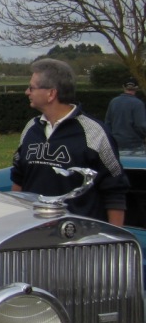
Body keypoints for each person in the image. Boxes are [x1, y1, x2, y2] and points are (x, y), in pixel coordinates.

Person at [10, 58, 128, 225]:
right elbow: (18, 180)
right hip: (32, 233)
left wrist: (114, 236)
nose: (27, 92)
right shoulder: (31, 127)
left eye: (32, 88)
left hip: (79, 235)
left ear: (51, 94)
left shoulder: (94, 132)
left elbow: (115, 190)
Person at [104, 79, 146, 154]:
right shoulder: (138, 104)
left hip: (115, 143)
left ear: (123, 87)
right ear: (137, 88)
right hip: (134, 145)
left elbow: (107, 123)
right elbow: (141, 125)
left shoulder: (114, 101)